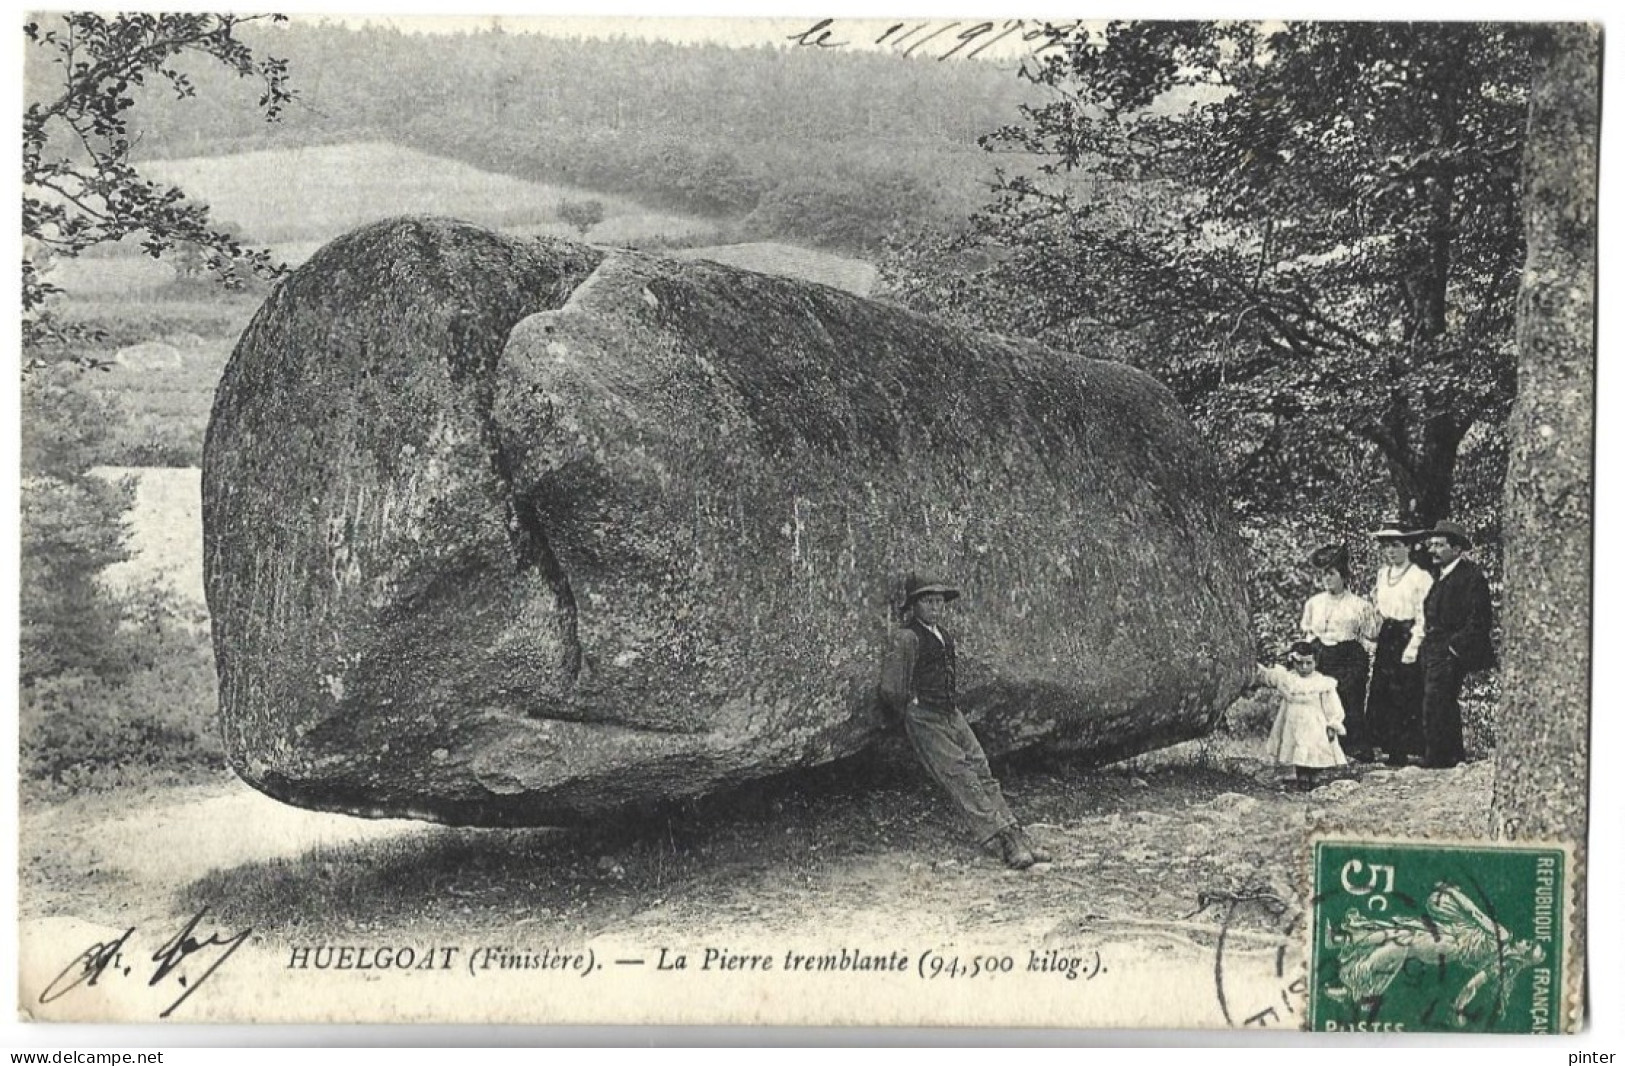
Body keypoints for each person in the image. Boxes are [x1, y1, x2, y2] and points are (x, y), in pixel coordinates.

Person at [878, 573, 1051, 870]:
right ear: (914, 605)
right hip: (925, 717)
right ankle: (1003, 840)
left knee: (981, 768)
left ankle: (1014, 830)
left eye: (938, 601)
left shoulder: (942, 634)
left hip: (950, 712)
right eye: (927, 601)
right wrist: (912, 706)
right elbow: (892, 688)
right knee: (960, 777)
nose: (935, 606)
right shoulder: (906, 637)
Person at [1417, 521, 1495, 769]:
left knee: (1438, 698)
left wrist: (1455, 648)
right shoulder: (1441, 576)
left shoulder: (1471, 577)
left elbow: (1479, 619)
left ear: (1457, 549)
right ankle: (1451, 755)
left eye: (1440, 545)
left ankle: (1438, 758)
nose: (1433, 550)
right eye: (1432, 545)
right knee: (1440, 700)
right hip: (1434, 649)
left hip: (1453, 651)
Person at [1300, 543, 1380, 762]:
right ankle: (1319, 748)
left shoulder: (1359, 605)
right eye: (1324, 574)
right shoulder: (1314, 603)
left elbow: (1370, 634)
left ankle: (1353, 748)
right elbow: (1307, 633)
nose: (1327, 579)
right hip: (1320, 655)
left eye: (1332, 574)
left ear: (1343, 576)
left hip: (1348, 657)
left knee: (1348, 698)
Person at [1365, 522, 1434, 766]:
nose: (1391, 551)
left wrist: (1414, 645)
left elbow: (1423, 615)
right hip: (1388, 634)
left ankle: (1408, 748)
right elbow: (1378, 608)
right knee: (1383, 691)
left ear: (1408, 547)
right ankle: (1389, 747)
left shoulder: (1420, 577)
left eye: (1396, 545)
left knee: (1406, 691)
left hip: (1408, 635)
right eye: (1387, 547)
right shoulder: (1383, 574)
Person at [1256, 641, 1347, 790]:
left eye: (1308, 663)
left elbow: (1333, 705)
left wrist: (1333, 723)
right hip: (1293, 722)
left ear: (1315, 662)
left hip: (1314, 723)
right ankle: (1302, 777)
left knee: (1315, 749)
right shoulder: (1288, 679)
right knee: (1297, 747)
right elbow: (1269, 676)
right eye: (1300, 663)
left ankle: (1315, 776)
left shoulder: (1322, 683)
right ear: (1293, 662)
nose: (1304, 668)